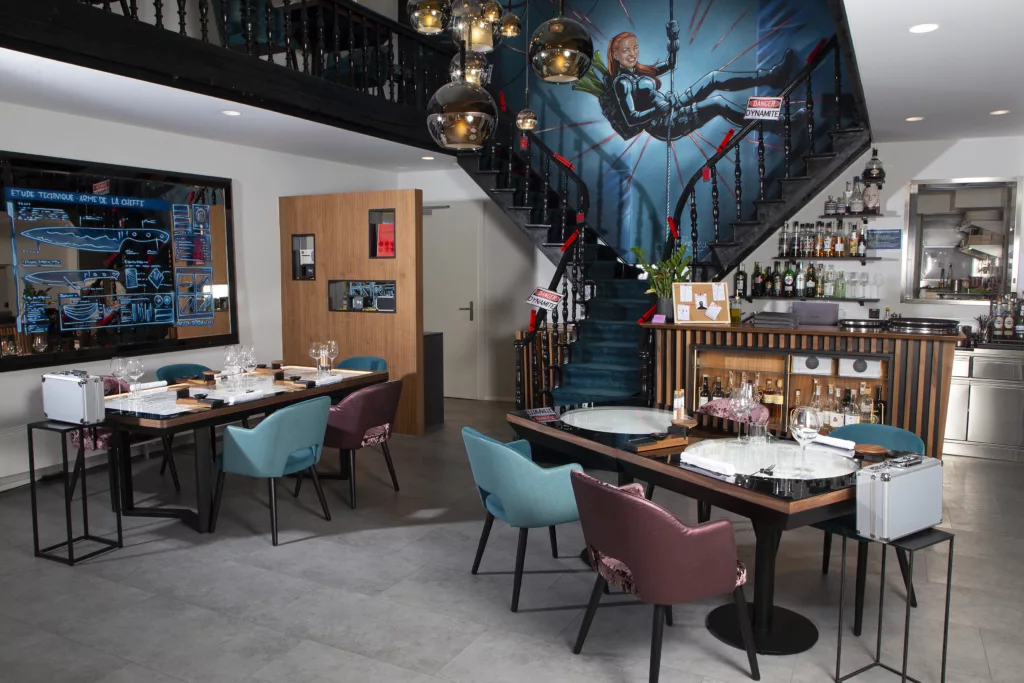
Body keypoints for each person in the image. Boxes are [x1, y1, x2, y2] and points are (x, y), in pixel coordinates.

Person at [580, 21, 796, 141]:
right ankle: (777, 124)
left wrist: (673, 40)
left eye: (635, 48)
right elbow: (631, 119)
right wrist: (658, 110)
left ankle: (773, 77)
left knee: (714, 77)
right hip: (665, 124)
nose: (632, 54)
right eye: (626, 50)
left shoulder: (639, 72)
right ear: (616, 55)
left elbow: (670, 64)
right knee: (718, 104)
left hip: (672, 106)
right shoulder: (622, 83)